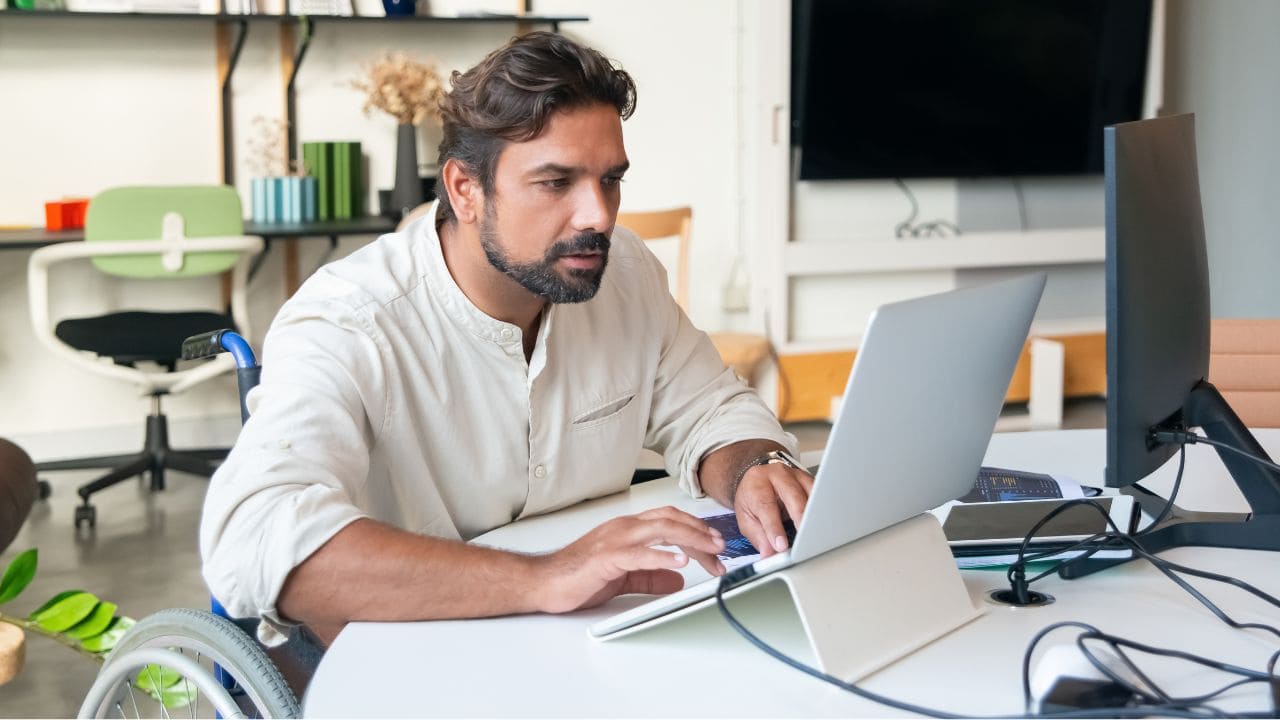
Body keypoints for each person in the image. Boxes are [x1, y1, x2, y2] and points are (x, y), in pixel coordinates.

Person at [200, 31, 813, 648]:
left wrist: (755, 466)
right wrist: (548, 576)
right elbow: (255, 538)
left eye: (610, 180)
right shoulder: (350, 319)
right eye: (555, 182)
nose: (598, 215)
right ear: (465, 190)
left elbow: (712, 409)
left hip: (589, 631)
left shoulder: (624, 272)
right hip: (400, 648)